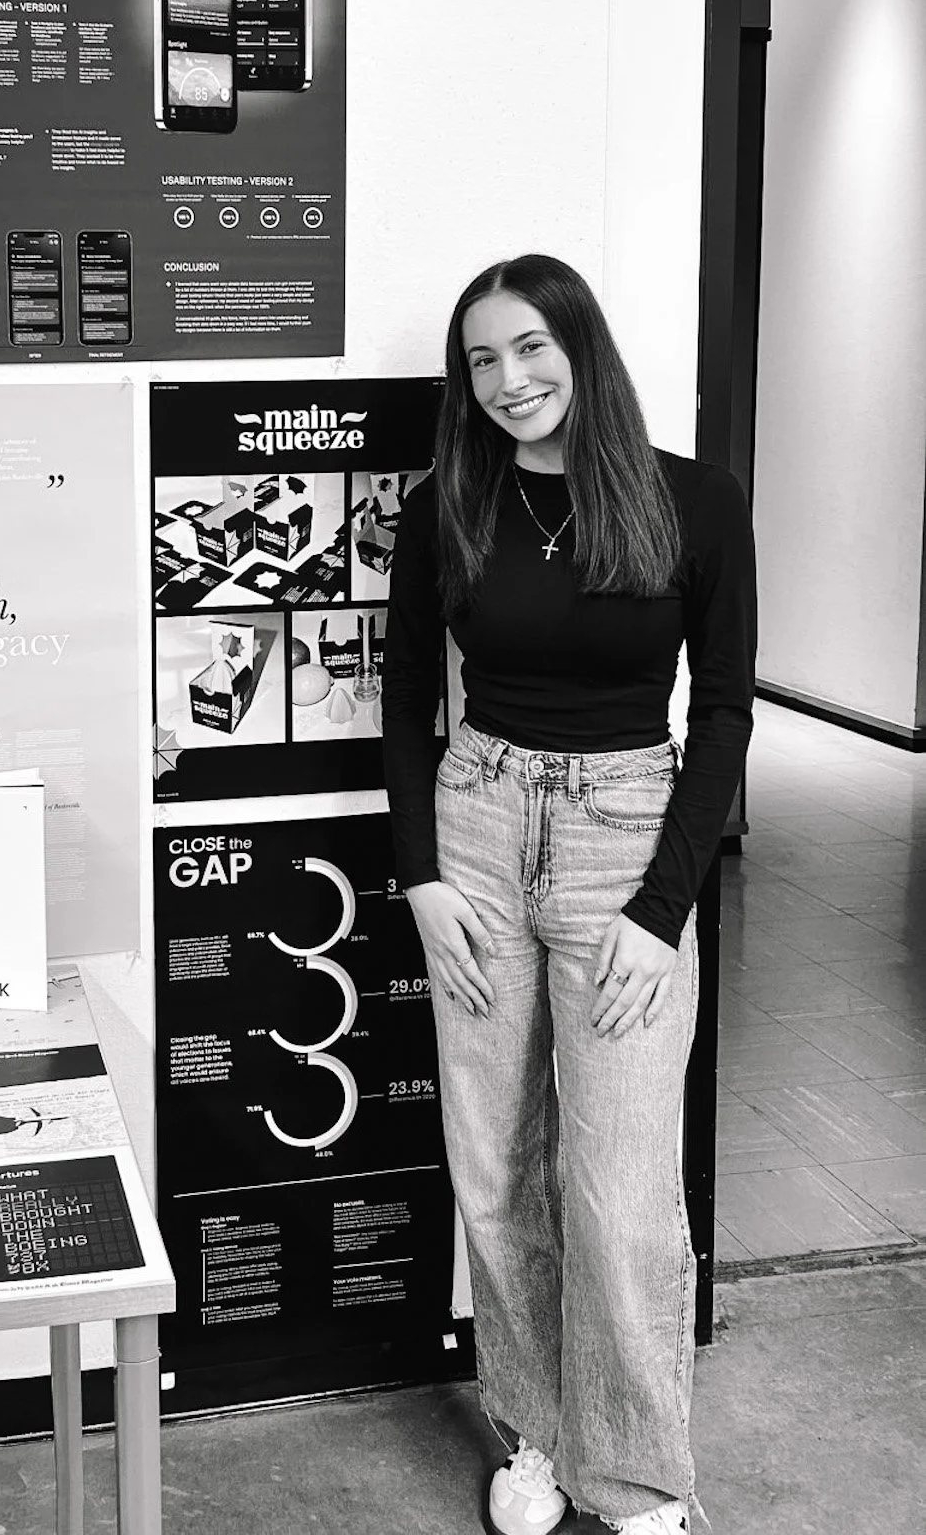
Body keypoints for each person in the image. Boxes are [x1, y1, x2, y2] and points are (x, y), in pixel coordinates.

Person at [382, 254, 755, 1535]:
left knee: (621, 1188)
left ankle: (641, 1475)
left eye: (530, 347)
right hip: (478, 828)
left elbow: (720, 715)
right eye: (481, 360)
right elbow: (403, 702)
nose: (508, 380)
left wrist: (662, 909)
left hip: (623, 843)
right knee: (496, 1168)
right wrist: (422, 875)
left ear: (582, 345)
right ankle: (535, 1434)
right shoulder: (447, 506)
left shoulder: (693, 500)